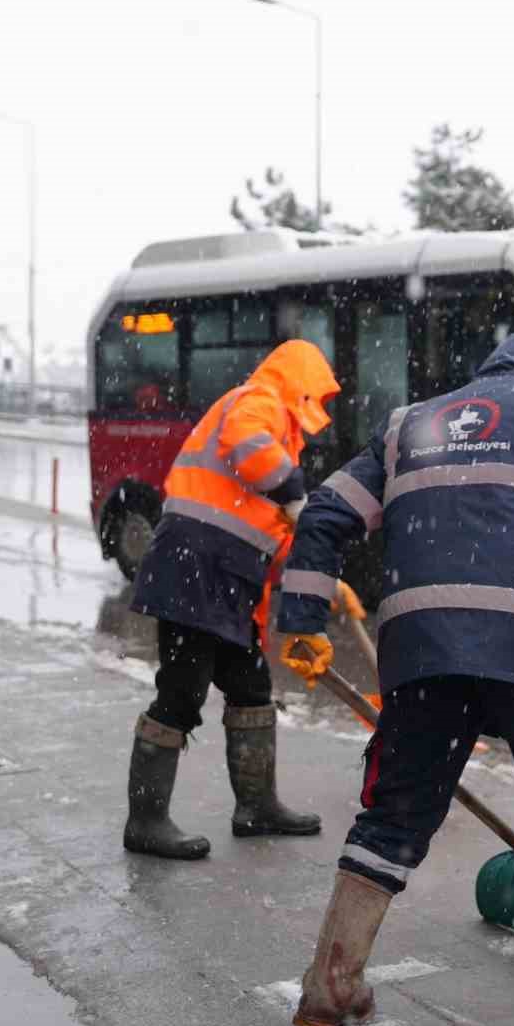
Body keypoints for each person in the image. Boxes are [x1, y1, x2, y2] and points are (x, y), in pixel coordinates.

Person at [276, 330, 514, 1026]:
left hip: (423, 647)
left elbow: (325, 512)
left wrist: (303, 619)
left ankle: (329, 985)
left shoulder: (408, 423)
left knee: (393, 816)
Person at [125, 339, 344, 860]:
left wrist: (320, 576)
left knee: (250, 686)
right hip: (193, 564)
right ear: (301, 382)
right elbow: (247, 446)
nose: (324, 409)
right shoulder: (259, 399)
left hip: (223, 575)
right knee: (181, 692)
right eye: (320, 395)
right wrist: (293, 490)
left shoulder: (282, 434)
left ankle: (256, 807)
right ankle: (146, 821)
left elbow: (271, 533)